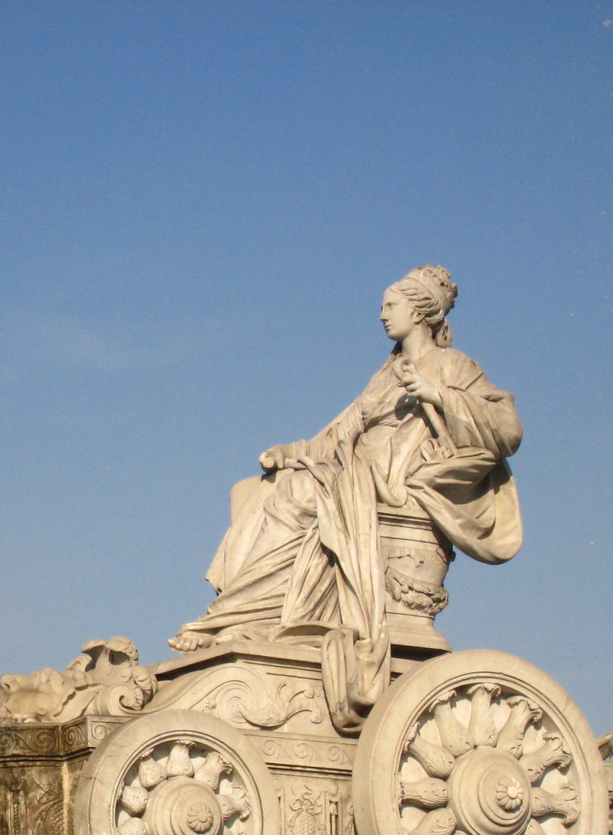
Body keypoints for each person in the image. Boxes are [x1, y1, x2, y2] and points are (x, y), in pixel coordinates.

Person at [169, 266, 523, 732]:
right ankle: (242, 617)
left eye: (390, 305)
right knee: (254, 489)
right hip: (356, 472)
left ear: (419, 311)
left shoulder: (454, 366)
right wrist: (292, 452)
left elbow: (507, 430)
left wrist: (437, 395)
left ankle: (244, 618)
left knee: (298, 492)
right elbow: (340, 433)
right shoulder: (386, 375)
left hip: (393, 483)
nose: (381, 315)